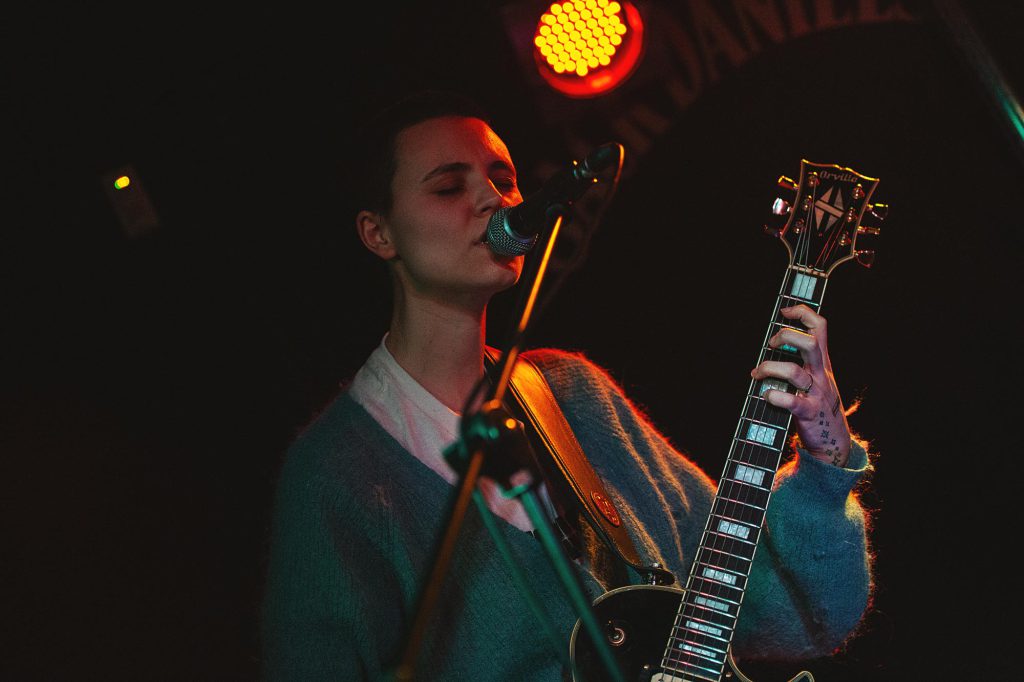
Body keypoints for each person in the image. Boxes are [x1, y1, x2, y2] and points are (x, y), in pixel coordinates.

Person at [260, 89, 873, 681]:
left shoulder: (573, 394)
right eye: (449, 187)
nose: (493, 200)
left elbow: (793, 614)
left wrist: (826, 453)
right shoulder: (335, 475)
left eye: (503, 180)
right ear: (379, 233)